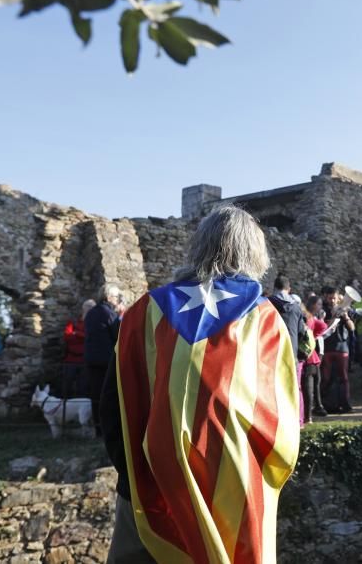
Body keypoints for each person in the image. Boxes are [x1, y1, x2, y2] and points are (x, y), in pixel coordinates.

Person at [100, 206, 299, 564]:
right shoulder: (266, 318)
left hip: (149, 493)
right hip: (234, 493)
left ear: (198, 248)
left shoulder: (143, 312)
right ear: (256, 255)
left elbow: (114, 409)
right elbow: (283, 422)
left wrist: (137, 478)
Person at [268, 275, 311, 427]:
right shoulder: (296, 307)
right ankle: (298, 421)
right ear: (289, 289)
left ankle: (275, 423)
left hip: (271, 354)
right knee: (295, 388)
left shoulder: (267, 304)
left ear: (275, 287)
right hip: (291, 353)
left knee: (272, 389)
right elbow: (301, 332)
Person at [84, 283, 122, 437]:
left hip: (91, 360)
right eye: (116, 297)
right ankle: (110, 429)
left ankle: (98, 428)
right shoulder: (109, 314)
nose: (118, 300)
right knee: (109, 395)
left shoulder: (91, 313)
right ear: (109, 297)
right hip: (107, 361)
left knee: (96, 395)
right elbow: (119, 335)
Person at [321, 286, 355, 413]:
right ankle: (327, 404)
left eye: (334, 298)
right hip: (327, 347)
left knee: (344, 378)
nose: (332, 301)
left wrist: (345, 317)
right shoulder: (322, 309)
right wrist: (329, 320)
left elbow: (352, 328)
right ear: (326, 298)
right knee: (326, 377)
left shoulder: (345, 309)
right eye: (330, 298)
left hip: (342, 347)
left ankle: (345, 404)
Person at [302, 296, 328, 423]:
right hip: (310, 358)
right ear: (312, 305)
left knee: (309, 388)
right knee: (309, 388)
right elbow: (322, 326)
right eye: (319, 304)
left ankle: (308, 416)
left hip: (309, 358)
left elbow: (322, 326)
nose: (320, 307)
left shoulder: (308, 317)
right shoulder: (309, 317)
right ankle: (308, 416)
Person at [63, 299, 95, 400]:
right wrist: (82, 337)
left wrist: (76, 334)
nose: (88, 309)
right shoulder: (73, 321)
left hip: (85, 361)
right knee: (66, 388)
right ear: (83, 308)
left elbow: (91, 338)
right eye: (87, 307)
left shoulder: (94, 324)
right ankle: (64, 413)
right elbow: (67, 337)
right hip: (71, 360)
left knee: (83, 390)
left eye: (91, 308)